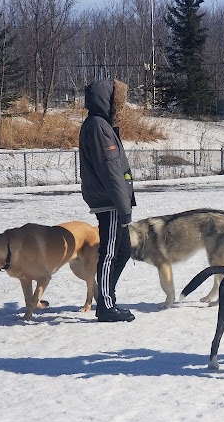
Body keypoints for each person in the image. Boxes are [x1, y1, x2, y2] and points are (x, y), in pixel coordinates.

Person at [80, 80, 137, 322]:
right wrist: (123, 207)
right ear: (108, 101)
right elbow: (111, 171)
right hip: (110, 201)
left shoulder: (101, 125)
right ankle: (105, 305)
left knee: (123, 250)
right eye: (117, 101)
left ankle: (108, 297)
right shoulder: (98, 127)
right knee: (111, 252)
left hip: (113, 199)